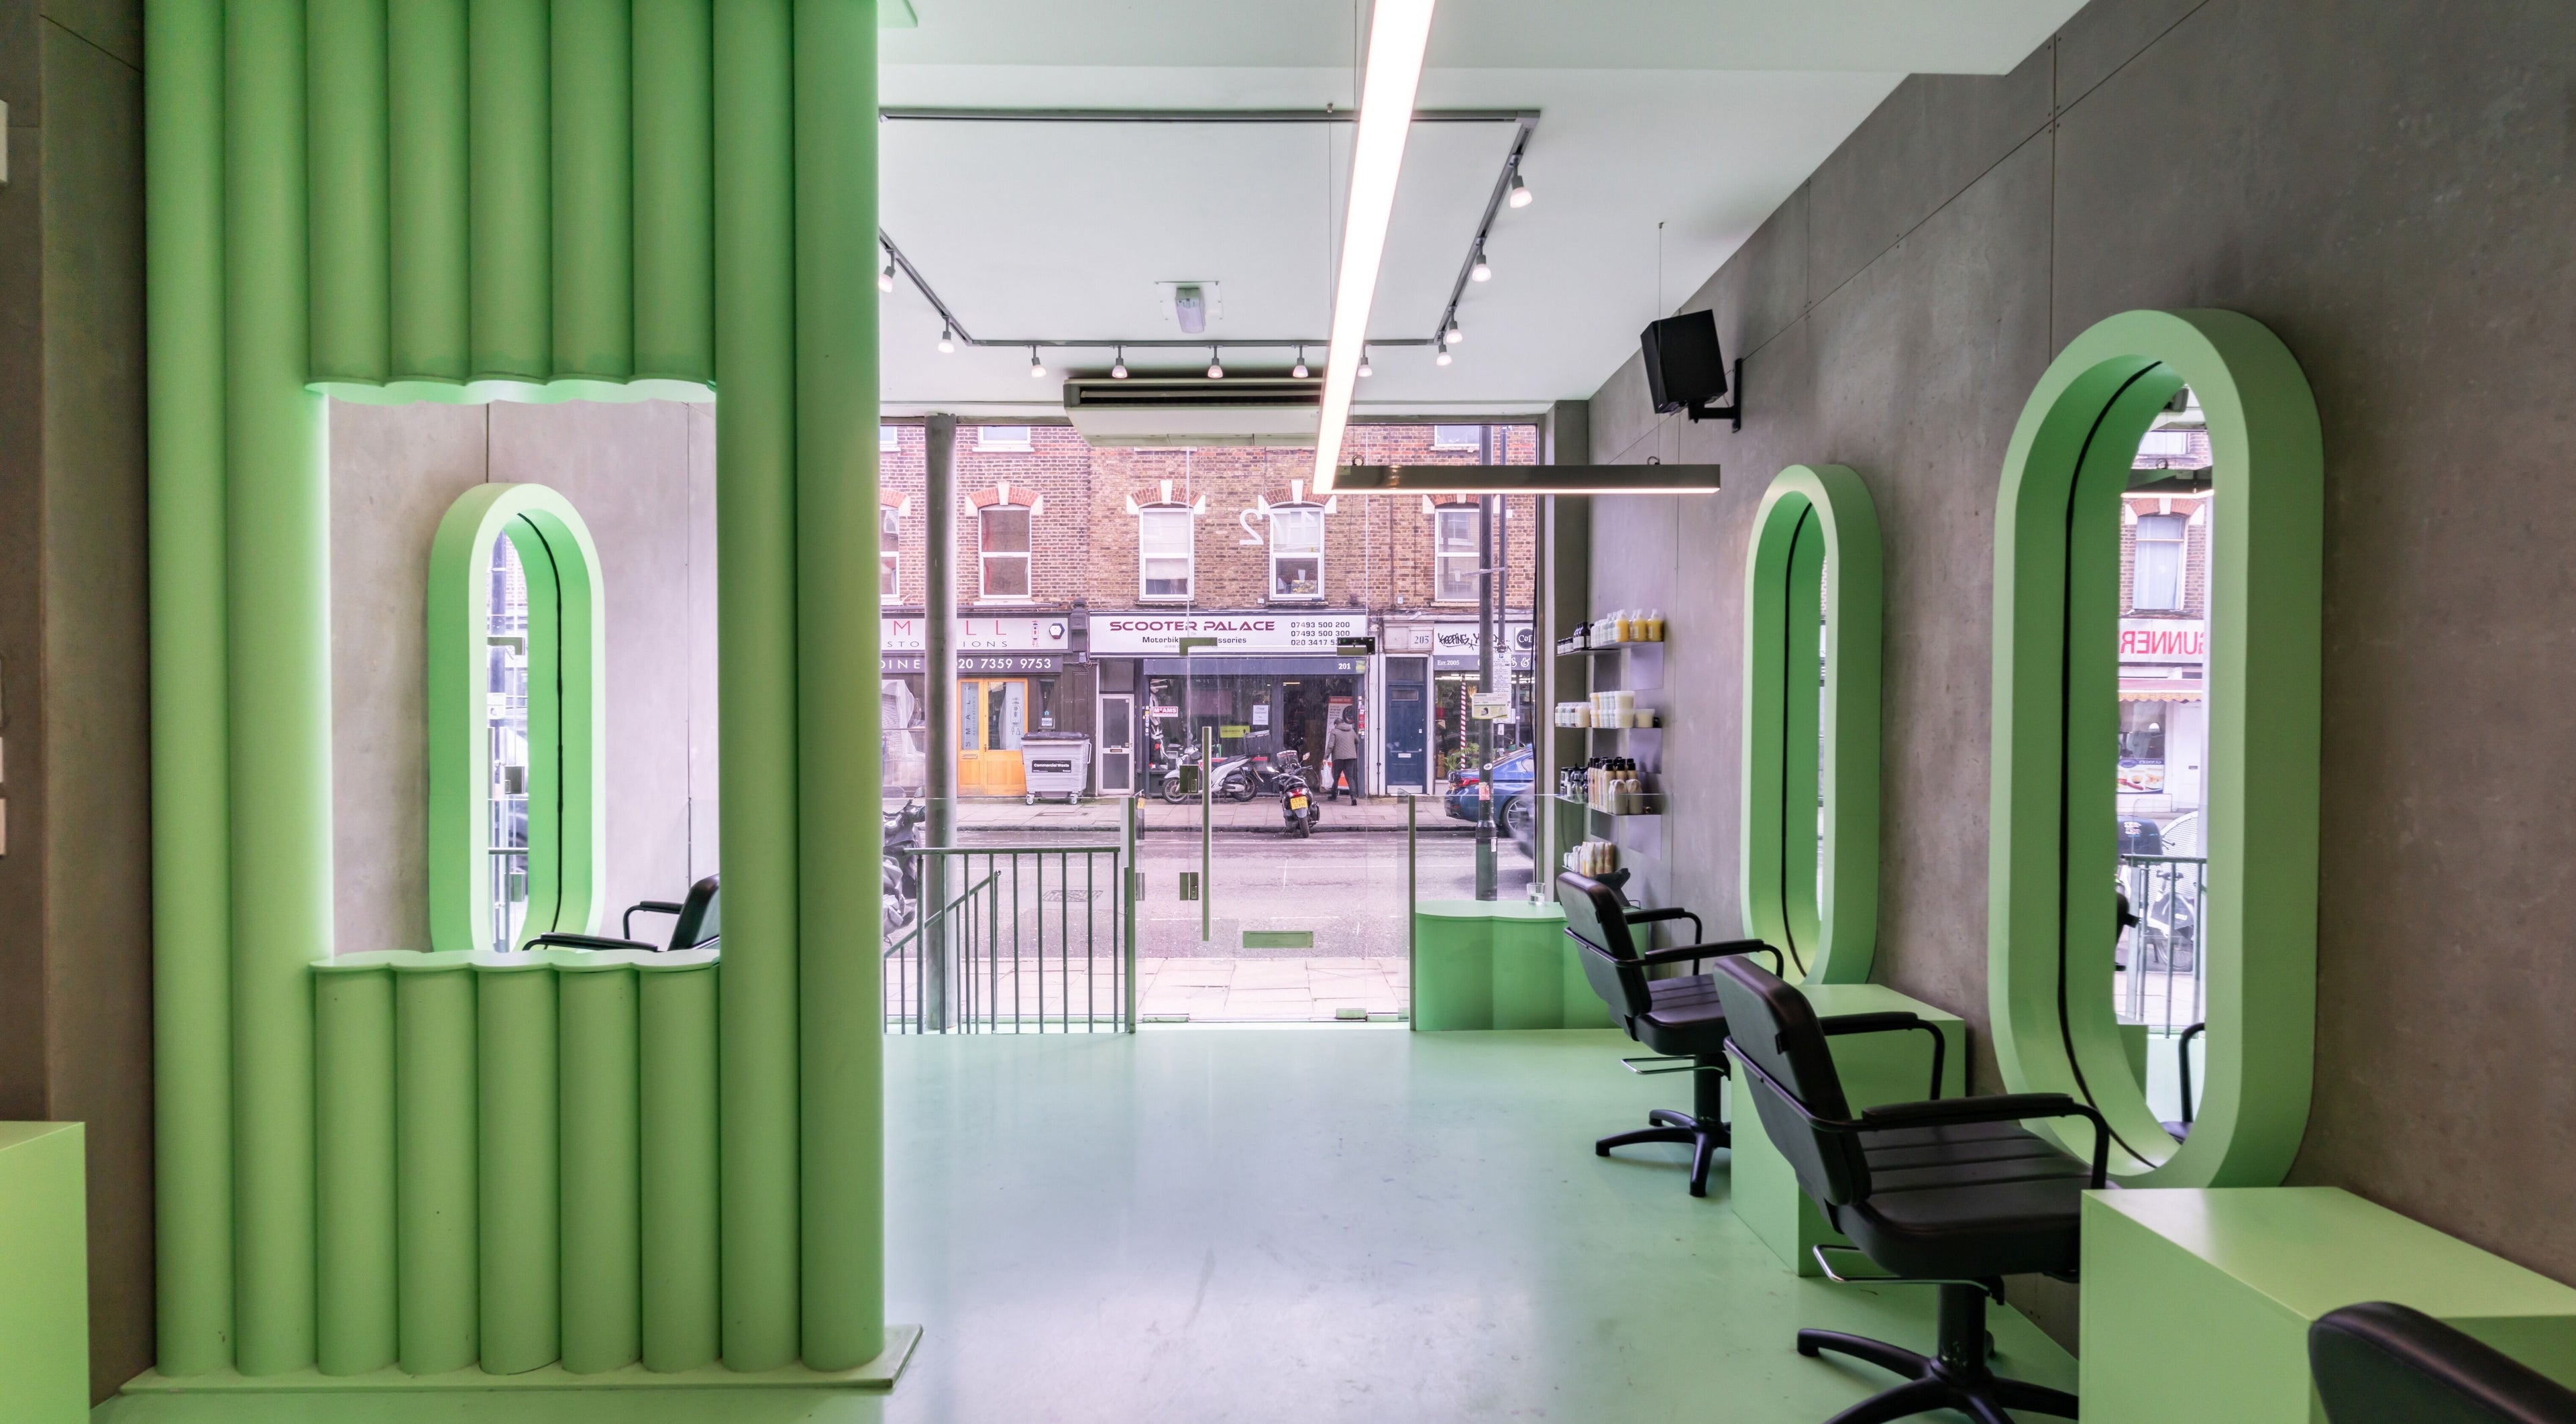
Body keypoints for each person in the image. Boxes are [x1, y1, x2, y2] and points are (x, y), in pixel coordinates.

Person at [1325, 714, 1362, 806]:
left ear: (1336, 725)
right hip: (1351, 758)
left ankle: (1334, 796)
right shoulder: (1351, 730)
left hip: (1339, 758)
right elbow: (1358, 741)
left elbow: (1330, 746)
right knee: (1350, 778)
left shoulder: (1335, 732)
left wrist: (1325, 757)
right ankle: (1353, 797)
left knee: (1336, 777)